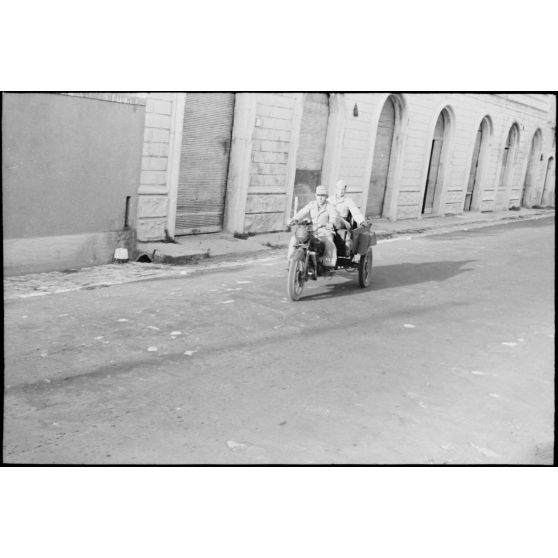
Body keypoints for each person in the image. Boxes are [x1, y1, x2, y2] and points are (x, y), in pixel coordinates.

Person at [287, 185, 338, 271]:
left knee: (329, 242)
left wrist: (331, 223)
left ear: (326, 196)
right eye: (318, 195)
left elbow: (334, 216)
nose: (320, 198)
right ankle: (291, 261)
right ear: (315, 195)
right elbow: (302, 212)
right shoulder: (312, 204)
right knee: (294, 238)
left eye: (323, 195)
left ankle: (328, 263)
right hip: (312, 230)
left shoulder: (330, 206)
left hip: (325, 230)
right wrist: (294, 219)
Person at [328, 179, 367, 254]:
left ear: (345, 190)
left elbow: (356, 212)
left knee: (337, 218)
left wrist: (361, 221)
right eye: (339, 189)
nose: (341, 191)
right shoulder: (330, 200)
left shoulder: (348, 200)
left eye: (343, 189)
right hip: (331, 222)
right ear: (336, 189)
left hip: (344, 223)